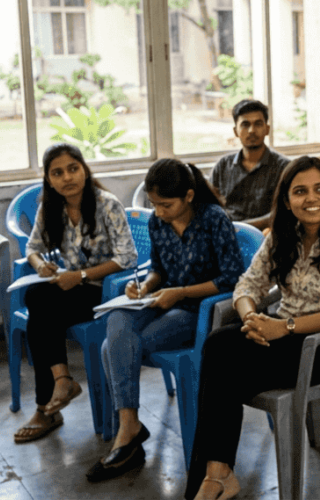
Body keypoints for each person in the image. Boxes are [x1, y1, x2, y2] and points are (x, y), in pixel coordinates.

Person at [183, 156, 320, 500]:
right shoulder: (283, 235)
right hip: (283, 335)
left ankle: (213, 480)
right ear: (286, 200)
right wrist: (251, 319)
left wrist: (284, 327)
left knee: (221, 370)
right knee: (218, 345)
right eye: (300, 191)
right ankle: (216, 475)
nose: (312, 198)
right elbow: (248, 284)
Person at [87, 158, 245, 483]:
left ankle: (128, 435)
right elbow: (157, 268)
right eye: (154, 204)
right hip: (163, 300)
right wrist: (144, 287)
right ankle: (130, 426)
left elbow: (231, 278)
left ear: (189, 196)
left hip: (199, 311)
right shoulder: (158, 223)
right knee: (117, 317)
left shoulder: (213, 219)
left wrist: (181, 292)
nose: (158, 212)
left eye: (166, 205)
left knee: (111, 349)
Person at [13, 143, 138, 444]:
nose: (67, 177)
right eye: (57, 173)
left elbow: (127, 258)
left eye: (73, 169)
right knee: (38, 301)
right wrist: (41, 265)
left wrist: (80, 276)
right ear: (48, 179)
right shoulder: (50, 207)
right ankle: (62, 380)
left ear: (84, 169)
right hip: (70, 289)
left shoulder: (107, 204)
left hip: (105, 290)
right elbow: (32, 248)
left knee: (40, 311)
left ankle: (47, 407)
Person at [210, 99, 291, 230]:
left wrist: (243, 228)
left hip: (265, 235)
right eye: (245, 125)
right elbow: (210, 207)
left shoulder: (284, 167)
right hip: (225, 233)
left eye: (258, 124)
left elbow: (284, 212)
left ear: (267, 129)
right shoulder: (222, 166)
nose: (252, 130)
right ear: (235, 131)